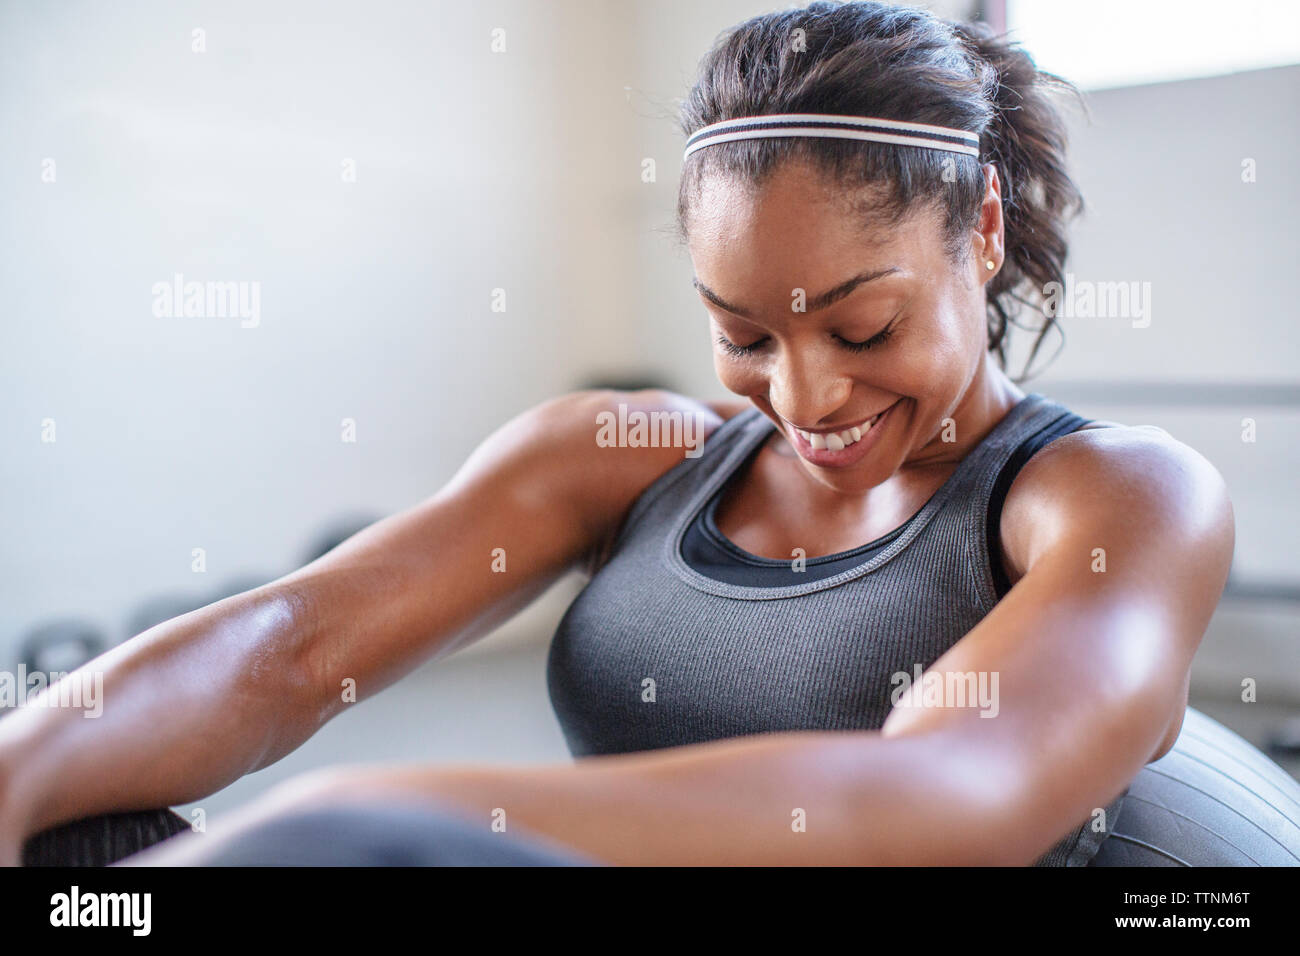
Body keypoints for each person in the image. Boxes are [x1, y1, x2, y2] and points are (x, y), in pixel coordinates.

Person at [4, 1, 1296, 867]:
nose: (803, 399)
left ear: (987, 234)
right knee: (75, 837)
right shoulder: (626, 456)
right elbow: (294, 646)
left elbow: (959, 800)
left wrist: (363, 818)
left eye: (861, 329)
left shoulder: (1113, 497)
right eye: (743, 333)